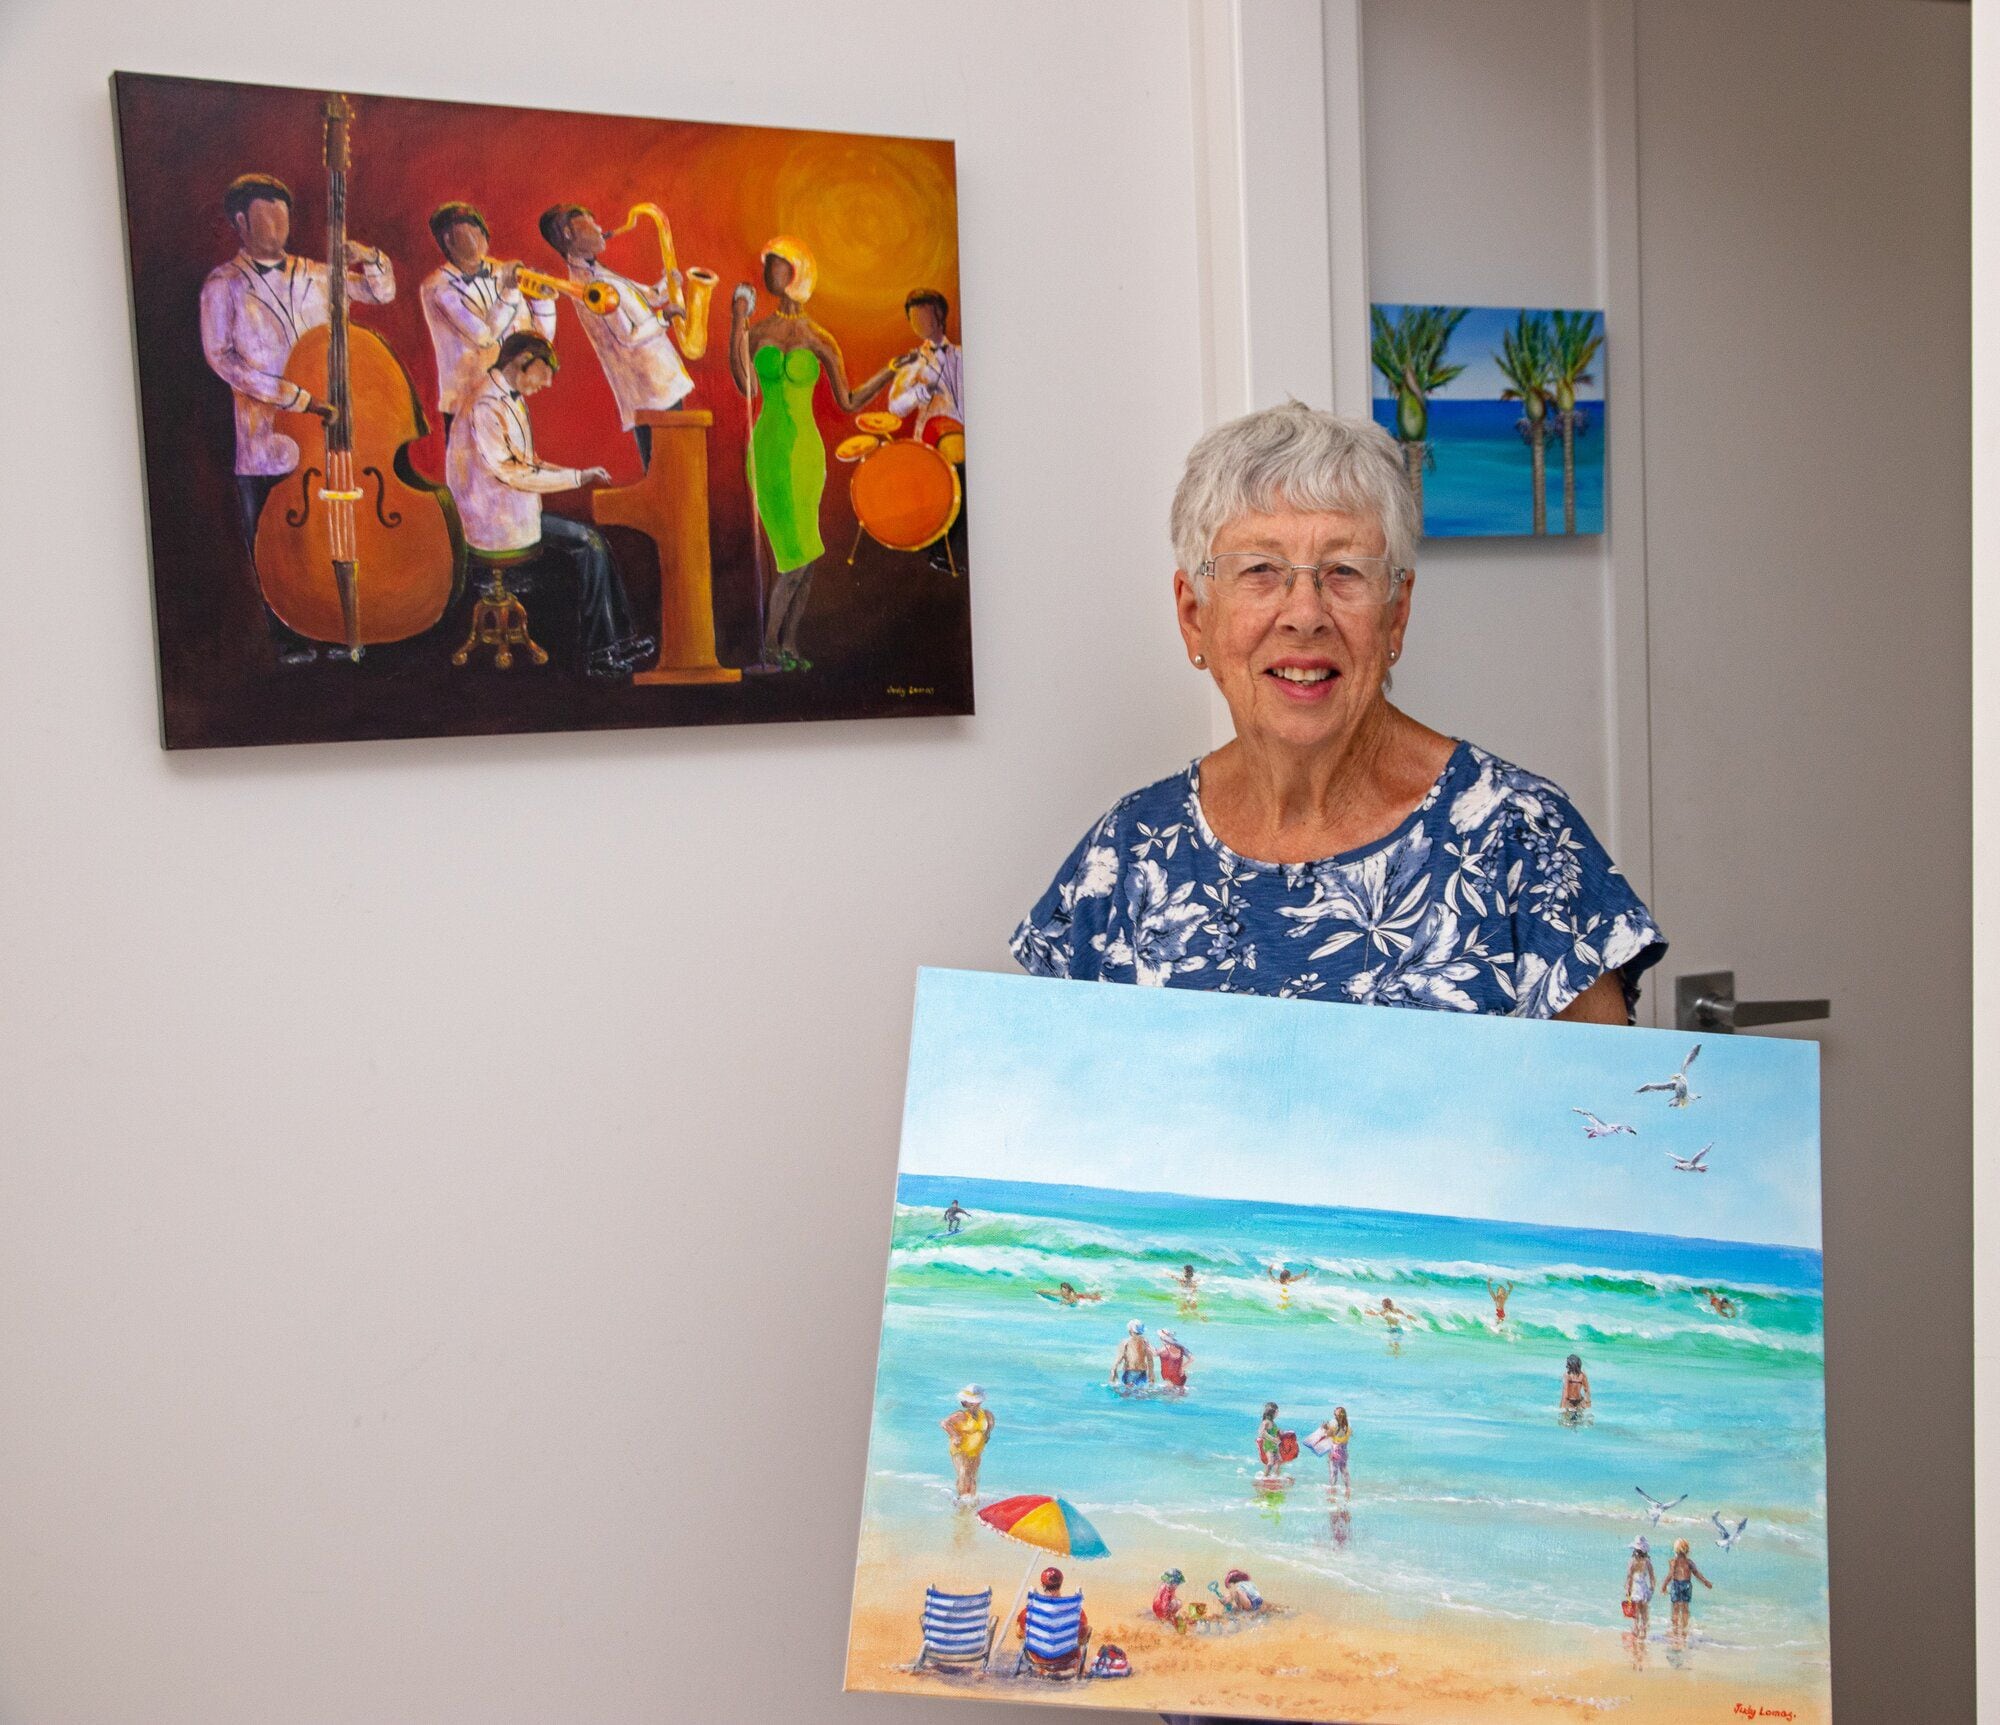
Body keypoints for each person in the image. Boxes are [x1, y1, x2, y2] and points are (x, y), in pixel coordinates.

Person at [1011, 402, 1665, 1018]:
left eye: (1345, 571)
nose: (1305, 614)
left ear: (1396, 615)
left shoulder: (1520, 841)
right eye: (1261, 568)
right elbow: (1039, 1118)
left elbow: (1603, 1127)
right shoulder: (1124, 858)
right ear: (1194, 617)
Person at [199, 171, 395, 666]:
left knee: (331, 532)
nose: (279, 228)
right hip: (266, 438)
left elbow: (381, 292)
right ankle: (289, 637)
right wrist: (291, 396)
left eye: (284, 217)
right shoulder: (223, 285)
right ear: (241, 222)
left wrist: (368, 256)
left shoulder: (314, 272)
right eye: (267, 217)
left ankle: (338, 623)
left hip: (328, 436)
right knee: (277, 545)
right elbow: (223, 359)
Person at [728, 238, 905, 670]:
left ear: (798, 272)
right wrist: (737, 322)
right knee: (791, 554)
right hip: (768, 447)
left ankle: (789, 646)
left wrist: (888, 372)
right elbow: (746, 386)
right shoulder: (759, 331)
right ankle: (769, 648)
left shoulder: (819, 337)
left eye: (778, 264)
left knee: (807, 556)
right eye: (767, 262)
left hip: (807, 453)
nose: (769, 270)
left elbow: (847, 400)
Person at [445, 332, 655, 678]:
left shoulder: (508, 399)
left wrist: (578, 473)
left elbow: (528, 461)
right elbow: (512, 473)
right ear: (521, 360)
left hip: (511, 511)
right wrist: (574, 479)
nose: (549, 381)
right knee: (588, 543)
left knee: (592, 541)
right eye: (545, 370)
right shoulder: (485, 403)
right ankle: (602, 653)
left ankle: (618, 640)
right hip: (492, 523)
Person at [538, 203, 693, 471]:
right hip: (649, 390)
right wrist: (663, 318)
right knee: (667, 473)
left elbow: (649, 297)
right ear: (567, 233)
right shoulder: (589, 286)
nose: (601, 229)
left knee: (672, 470)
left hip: (660, 382)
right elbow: (628, 336)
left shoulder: (599, 271)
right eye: (590, 224)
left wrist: (669, 284)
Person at [421, 201, 554, 441]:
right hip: (466, 402)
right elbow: (483, 337)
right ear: (447, 242)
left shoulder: (503, 271)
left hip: (510, 397)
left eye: (478, 231)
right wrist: (510, 292)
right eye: (465, 234)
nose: (476, 240)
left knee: (518, 473)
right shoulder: (437, 287)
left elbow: (538, 339)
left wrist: (543, 301)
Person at [887, 286, 967, 572]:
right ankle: (939, 553)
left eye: (923, 316)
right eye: (913, 319)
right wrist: (920, 393)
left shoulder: (962, 353)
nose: (918, 323)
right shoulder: (912, 361)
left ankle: (958, 552)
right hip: (935, 439)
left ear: (940, 316)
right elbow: (895, 406)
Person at [1016, 1566, 1089, 1674]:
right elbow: (1082, 1636)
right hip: (1068, 1660)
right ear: (1061, 1583)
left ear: (1042, 1585)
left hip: (1038, 1659)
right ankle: (1081, 1672)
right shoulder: (1074, 1610)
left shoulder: (1032, 1610)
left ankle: (1043, 1670)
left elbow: (1019, 1633)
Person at [939, 1384, 993, 1502]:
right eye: (970, 1402)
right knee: (963, 1472)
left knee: (973, 1475)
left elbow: (990, 1425)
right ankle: (962, 1497)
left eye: (975, 1401)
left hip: (976, 1450)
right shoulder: (961, 1415)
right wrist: (955, 1435)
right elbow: (944, 1423)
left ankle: (971, 1498)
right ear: (966, 1403)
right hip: (960, 1449)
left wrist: (987, 1434)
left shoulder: (987, 1415)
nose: (973, 1404)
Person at [1664, 1537, 1712, 1641]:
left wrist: (1664, 1585)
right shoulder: (1689, 1562)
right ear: (1687, 1550)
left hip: (1676, 1585)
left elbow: (1670, 1575)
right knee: (1685, 1609)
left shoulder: (1673, 1562)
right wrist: (1705, 1582)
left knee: (1675, 1609)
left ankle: (1676, 1631)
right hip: (1686, 1585)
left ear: (1675, 1550)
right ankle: (1684, 1631)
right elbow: (1697, 1574)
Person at [1624, 1536, 1657, 1644]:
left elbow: (1629, 1577)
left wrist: (1627, 1590)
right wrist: (1652, 1589)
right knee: (1644, 1612)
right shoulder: (1647, 1561)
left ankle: (1636, 1630)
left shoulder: (1632, 1561)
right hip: (1643, 1588)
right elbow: (1652, 1577)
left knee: (1636, 1612)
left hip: (1635, 1589)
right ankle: (1644, 1632)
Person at [1314, 1407, 1351, 1500]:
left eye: (1335, 1415)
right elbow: (1346, 1436)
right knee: (1344, 1470)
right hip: (1344, 1451)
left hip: (1335, 1450)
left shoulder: (1335, 1426)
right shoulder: (1347, 1427)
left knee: (1333, 1472)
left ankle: (1332, 1492)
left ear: (1337, 1416)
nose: (1334, 1416)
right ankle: (1348, 1489)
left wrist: (1324, 1428)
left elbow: (1326, 1435)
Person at [1110, 1319, 1155, 1389]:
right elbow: (1150, 1360)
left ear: (1130, 1331)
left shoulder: (1128, 1342)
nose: (1138, 1335)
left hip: (1135, 1372)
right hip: (1136, 1372)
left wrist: (1114, 1370)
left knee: (1132, 1393)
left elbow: (1119, 1358)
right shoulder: (1143, 1342)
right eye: (1137, 1333)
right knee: (1138, 1393)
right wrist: (1151, 1375)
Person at [1560, 1353, 1593, 1424]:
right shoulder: (1582, 1375)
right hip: (1579, 1401)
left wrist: (1562, 1407)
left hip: (1569, 1402)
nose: (1566, 1366)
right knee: (1580, 1420)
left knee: (1567, 1422)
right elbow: (1587, 1390)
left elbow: (1565, 1392)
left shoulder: (1567, 1375)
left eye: (1567, 1364)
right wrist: (1588, 1404)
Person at [1256, 1402, 1283, 1480]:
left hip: (1274, 1446)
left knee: (1279, 1461)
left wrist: (1280, 1431)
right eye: (1277, 1412)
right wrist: (1273, 1439)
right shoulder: (1266, 1422)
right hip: (1268, 1445)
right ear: (1272, 1412)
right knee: (1271, 1462)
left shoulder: (1273, 1423)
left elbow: (1274, 1431)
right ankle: (1264, 1477)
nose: (1278, 1414)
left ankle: (1277, 1477)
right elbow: (1262, 1432)